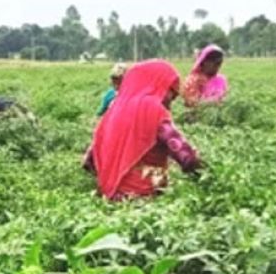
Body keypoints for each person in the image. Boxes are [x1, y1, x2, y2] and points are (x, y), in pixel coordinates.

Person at [82, 59, 202, 200]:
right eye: (171, 93)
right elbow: (185, 157)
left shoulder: (113, 109)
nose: (171, 101)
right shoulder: (153, 110)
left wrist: (114, 176)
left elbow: (89, 162)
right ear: (159, 85)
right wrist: (206, 174)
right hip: (144, 196)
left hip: (107, 195)